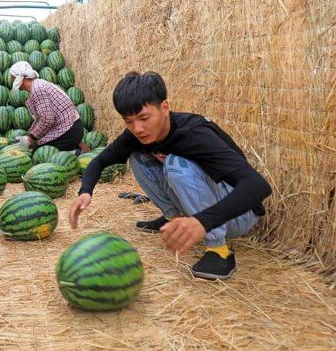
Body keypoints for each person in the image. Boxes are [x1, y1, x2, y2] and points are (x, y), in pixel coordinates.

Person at [68, 71, 272, 280]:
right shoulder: (136, 135)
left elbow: (258, 186)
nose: (137, 128)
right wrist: (85, 192)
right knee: (137, 157)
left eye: (144, 118)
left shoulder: (195, 133)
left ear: (164, 108)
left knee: (176, 162)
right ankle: (173, 222)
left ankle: (219, 251)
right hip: (203, 210)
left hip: (238, 215)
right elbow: (100, 161)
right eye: (128, 121)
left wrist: (202, 221)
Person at [9, 61, 84, 153]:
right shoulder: (38, 84)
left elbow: (47, 119)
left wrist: (30, 138)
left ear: (19, 77)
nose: (10, 80)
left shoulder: (37, 90)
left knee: (41, 154)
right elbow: (43, 118)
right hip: (71, 127)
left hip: (69, 131)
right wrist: (31, 133)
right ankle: (75, 147)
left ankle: (78, 154)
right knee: (36, 147)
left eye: (12, 77)